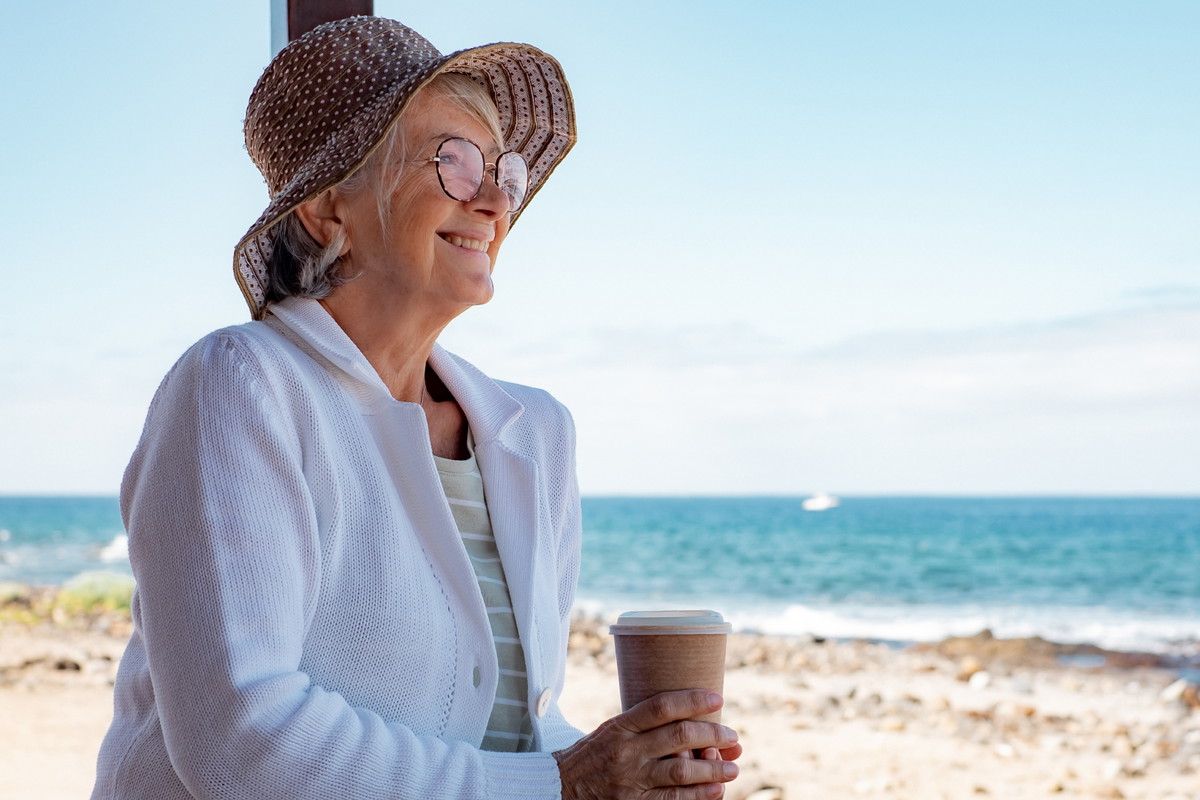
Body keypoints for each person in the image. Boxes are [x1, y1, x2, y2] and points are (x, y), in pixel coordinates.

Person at [90, 16, 740, 800]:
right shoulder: (243, 384)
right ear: (328, 211)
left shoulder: (534, 433)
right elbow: (243, 740)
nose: (498, 199)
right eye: (456, 162)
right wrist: (566, 784)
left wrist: (635, 767)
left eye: (504, 170)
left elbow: (514, 735)